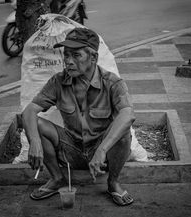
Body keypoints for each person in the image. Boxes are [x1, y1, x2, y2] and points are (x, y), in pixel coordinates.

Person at [22, 28, 135, 206]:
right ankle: (57, 178)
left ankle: (113, 183)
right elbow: (29, 111)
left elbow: (128, 114)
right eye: (66, 55)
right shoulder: (58, 81)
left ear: (93, 58)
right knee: (35, 123)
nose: (68, 61)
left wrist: (102, 150)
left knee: (124, 131)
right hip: (70, 149)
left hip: (100, 154)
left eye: (76, 55)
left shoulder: (112, 83)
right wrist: (34, 141)